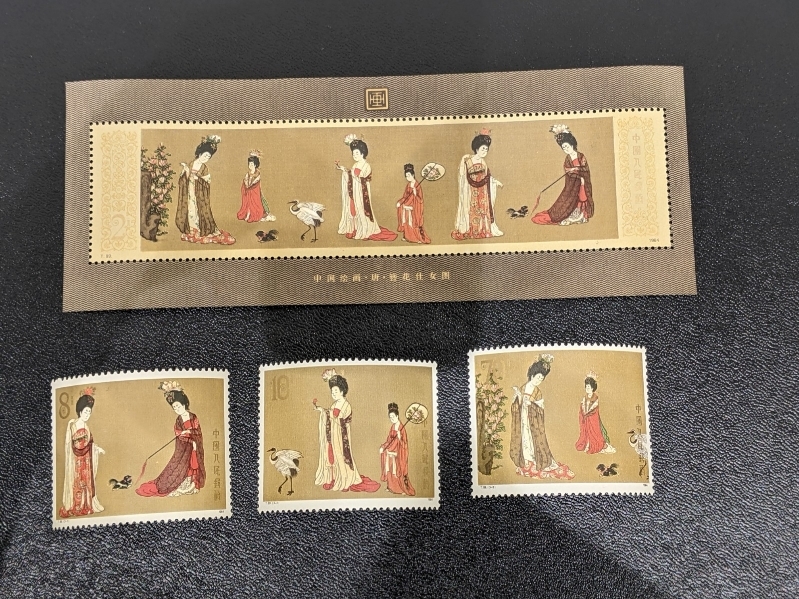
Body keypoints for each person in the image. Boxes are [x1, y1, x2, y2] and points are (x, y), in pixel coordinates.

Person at [313, 369, 379, 492]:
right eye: (332, 392)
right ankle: (332, 478)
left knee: (342, 457)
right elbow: (331, 415)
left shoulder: (346, 404)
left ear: (342, 391)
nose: (333, 394)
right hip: (332, 435)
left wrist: (329, 413)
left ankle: (344, 481)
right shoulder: (334, 404)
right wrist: (322, 411)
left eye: (336, 391)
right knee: (331, 456)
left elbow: (339, 417)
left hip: (341, 436)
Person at [509, 355, 574, 480]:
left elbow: (540, 410)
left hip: (533, 421)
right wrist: (518, 396)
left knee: (532, 439)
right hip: (522, 418)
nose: (539, 380)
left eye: (541, 379)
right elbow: (518, 403)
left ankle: (535, 459)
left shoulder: (538, 392)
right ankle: (527, 459)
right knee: (524, 438)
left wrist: (531, 404)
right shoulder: (523, 387)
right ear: (532, 375)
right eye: (538, 377)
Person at [136, 382, 206, 497]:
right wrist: (183, 434)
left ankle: (191, 485)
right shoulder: (179, 420)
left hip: (194, 446)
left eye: (178, 406)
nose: (177, 409)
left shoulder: (193, 417)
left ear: (184, 404)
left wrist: (189, 433)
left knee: (193, 465)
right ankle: (179, 486)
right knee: (177, 468)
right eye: (174, 408)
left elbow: (197, 431)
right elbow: (177, 432)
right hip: (183, 449)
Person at [175, 135, 235, 244]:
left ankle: (199, 229)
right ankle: (192, 228)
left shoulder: (204, 168)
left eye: (208, 157)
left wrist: (198, 179)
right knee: (190, 209)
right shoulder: (192, 163)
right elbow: (184, 179)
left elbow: (207, 183)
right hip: (189, 191)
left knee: (198, 210)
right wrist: (186, 171)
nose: (206, 158)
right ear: (200, 153)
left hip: (199, 194)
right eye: (205, 155)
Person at [336, 135, 397, 241]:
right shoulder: (355, 165)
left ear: (362, 153)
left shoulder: (366, 165)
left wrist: (352, 172)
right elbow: (352, 174)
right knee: (353, 209)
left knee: (361, 209)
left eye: (357, 153)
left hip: (361, 192)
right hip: (354, 191)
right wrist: (344, 170)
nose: (355, 155)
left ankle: (365, 230)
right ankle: (355, 228)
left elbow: (360, 175)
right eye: (353, 153)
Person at [532, 125, 594, 225]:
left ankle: (582, 215)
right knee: (566, 202)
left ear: (572, 145)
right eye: (564, 148)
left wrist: (577, 170)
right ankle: (570, 215)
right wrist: (572, 170)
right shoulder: (567, 159)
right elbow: (567, 169)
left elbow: (585, 169)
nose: (566, 149)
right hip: (572, 185)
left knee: (583, 197)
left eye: (567, 147)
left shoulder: (581, 156)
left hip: (582, 182)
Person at [59, 387, 105, 518]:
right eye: (85, 412)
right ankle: (77, 506)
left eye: (89, 412)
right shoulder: (73, 425)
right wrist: (84, 446)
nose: (87, 415)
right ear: (80, 411)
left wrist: (96, 449)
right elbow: (75, 445)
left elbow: (90, 442)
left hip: (86, 460)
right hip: (77, 461)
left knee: (86, 483)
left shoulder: (86, 426)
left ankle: (87, 505)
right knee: (78, 484)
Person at [452, 128, 504, 240]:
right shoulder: (467, 160)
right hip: (471, 190)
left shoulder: (483, 162)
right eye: (483, 148)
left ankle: (483, 230)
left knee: (483, 209)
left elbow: (487, 176)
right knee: (472, 209)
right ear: (477, 148)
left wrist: (495, 182)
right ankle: (472, 230)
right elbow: (462, 175)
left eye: (486, 149)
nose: (485, 151)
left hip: (483, 190)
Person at [575, 371, 616, 454]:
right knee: (585, 434)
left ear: (592, 388)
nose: (587, 388)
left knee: (595, 433)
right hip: (586, 420)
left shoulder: (595, 398)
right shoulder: (584, 398)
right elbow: (582, 409)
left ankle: (596, 444)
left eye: (589, 387)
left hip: (592, 420)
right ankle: (587, 444)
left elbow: (594, 411)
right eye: (586, 387)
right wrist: (583, 415)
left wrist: (588, 414)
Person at [379, 403, 416, 495]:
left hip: (398, 452)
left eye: (393, 417)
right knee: (390, 468)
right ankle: (391, 487)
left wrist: (399, 438)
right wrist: (383, 447)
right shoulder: (392, 427)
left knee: (397, 470)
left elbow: (405, 444)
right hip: (391, 449)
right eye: (390, 417)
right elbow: (389, 440)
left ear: (397, 416)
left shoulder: (401, 428)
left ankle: (401, 489)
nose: (392, 419)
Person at [237, 150, 276, 223]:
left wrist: (250, 188)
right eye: (249, 164)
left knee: (255, 204)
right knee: (245, 206)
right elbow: (245, 182)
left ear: (255, 165)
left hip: (254, 193)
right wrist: (245, 187)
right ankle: (247, 213)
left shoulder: (257, 174)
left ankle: (254, 214)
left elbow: (255, 185)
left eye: (252, 164)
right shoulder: (248, 174)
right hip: (248, 192)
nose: (250, 166)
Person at [396, 164, 431, 244]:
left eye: (408, 175)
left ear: (413, 175)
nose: (407, 177)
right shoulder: (408, 185)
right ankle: (407, 236)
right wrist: (400, 202)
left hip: (414, 206)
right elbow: (405, 196)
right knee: (406, 221)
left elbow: (420, 200)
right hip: (407, 204)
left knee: (412, 222)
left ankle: (417, 238)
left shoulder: (417, 185)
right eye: (406, 176)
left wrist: (415, 194)